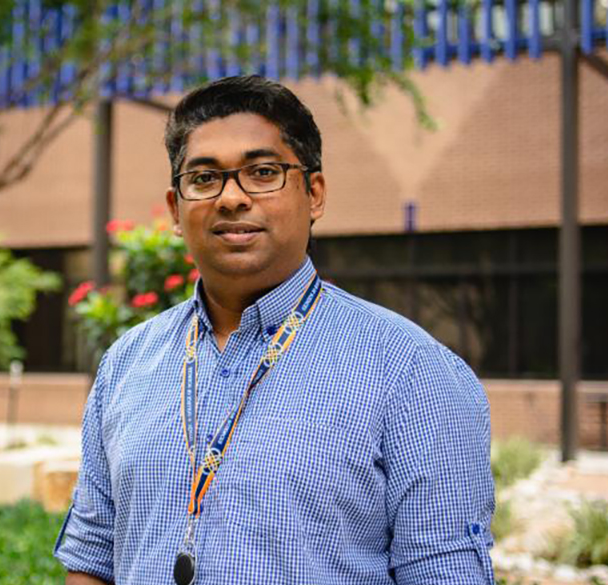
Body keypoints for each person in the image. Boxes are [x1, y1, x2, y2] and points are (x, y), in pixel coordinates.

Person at [54, 75, 496, 584]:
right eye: (203, 179)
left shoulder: (413, 374)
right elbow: (92, 558)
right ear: (176, 210)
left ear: (315, 194)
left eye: (262, 172)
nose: (231, 198)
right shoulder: (127, 363)